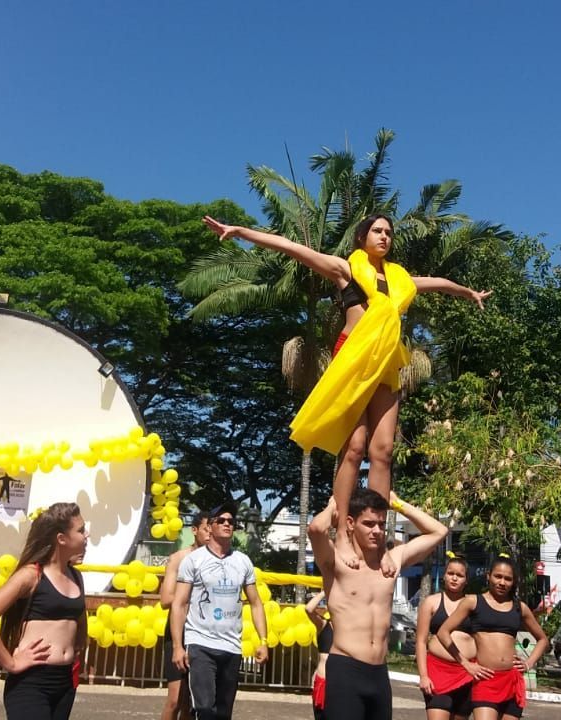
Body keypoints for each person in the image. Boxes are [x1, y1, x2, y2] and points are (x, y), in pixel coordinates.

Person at [203, 215, 489, 572]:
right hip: (353, 358)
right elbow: (294, 249)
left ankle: (377, 532)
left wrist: (468, 292)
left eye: (389, 232)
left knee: (382, 451)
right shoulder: (345, 269)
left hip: (386, 361)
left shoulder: (400, 279)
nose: (385, 236)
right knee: (353, 449)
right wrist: (240, 231)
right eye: (377, 231)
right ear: (362, 237)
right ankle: (341, 533)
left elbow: (441, 283)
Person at [307, 488, 450, 720]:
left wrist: (399, 504)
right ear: (351, 523)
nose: (377, 531)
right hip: (346, 668)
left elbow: (439, 531)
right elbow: (315, 529)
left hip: (379, 672)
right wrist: (334, 507)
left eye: (381, 525)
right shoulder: (337, 562)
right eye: (369, 524)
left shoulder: (391, 563)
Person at [0, 502, 89, 720]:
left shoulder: (76, 577)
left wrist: (76, 652)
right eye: (81, 530)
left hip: (65, 682)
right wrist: (11, 663)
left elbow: (79, 622)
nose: (86, 534)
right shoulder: (31, 576)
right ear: (61, 539)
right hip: (32, 683)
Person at [170, 502, 268, 720]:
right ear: (210, 526)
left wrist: (263, 640)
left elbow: (255, 603)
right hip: (201, 643)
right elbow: (179, 603)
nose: (227, 524)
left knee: (223, 714)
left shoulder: (243, 561)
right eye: (221, 521)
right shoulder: (193, 561)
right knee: (204, 710)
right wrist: (178, 646)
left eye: (231, 521)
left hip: (232, 646)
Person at [435, 555, 550, 720]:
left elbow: (543, 639)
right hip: (485, 680)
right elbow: (443, 632)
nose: (502, 582)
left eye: (508, 579)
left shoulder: (520, 607)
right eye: (498, 576)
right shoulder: (473, 602)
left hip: (511, 681)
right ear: (488, 576)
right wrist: (465, 663)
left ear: (513, 581)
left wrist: (528, 663)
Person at [159, 511, 212, 720]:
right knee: (175, 699)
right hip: (178, 631)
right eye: (206, 528)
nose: (209, 533)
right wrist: (188, 599)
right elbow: (165, 599)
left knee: (193, 702)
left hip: (203, 632)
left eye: (212, 529)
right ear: (195, 530)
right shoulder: (179, 558)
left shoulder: (216, 560)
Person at [416, 555, 478, 720]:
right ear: (444, 575)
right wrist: (423, 675)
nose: (455, 578)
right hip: (437, 673)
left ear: (466, 580)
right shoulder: (431, 602)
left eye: (460, 575)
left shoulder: (473, 604)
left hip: (467, 674)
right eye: (451, 573)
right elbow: (421, 641)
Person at [304, 591, 333, 720]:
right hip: (323, 680)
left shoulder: (348, 629)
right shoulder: (323, 624)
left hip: (342, 681)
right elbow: (309, 609)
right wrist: (325, 591)